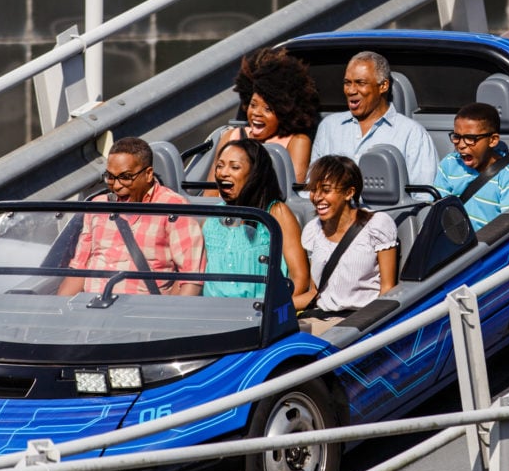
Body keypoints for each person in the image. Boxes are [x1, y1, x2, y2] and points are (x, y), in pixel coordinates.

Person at [58, 137, 205, 296]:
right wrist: (57, 314)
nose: (116, 185)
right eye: (111, 177)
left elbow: (191, 278)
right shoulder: (98, 207)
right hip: (91, 308)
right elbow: (79, 269)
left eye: (126, 177)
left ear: (148, 174)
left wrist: (168, 318)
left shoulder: (174, 208)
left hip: (140, 313)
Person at [202, 138, 314, 309]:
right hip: (214, 314)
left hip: (260, 314)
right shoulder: (211, 220)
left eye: (234, 167)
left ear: (254, 173)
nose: (223, 173)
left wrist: (275, 312)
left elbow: (300, 278)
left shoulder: (276, 213)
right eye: (220, 165)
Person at [298, 155, 398, 335]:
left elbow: (387, 290)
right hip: (318, 318)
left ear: (349, 193)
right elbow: (315, 292)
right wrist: (271, 307)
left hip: (357, 322)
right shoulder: (313, 230)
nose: (317, 197)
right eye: (313, 190)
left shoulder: (377, 225)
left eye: (326, 190)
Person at [310, 51, 438, 185]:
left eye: (360, 83)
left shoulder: (412, 134)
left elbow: (424, 199)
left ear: (383, 86)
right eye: (347, 83)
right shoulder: (329, 127)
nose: (351, 90)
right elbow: (311, 187)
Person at [204, 47, 320, 193]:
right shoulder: (230, 136)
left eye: (268, 109)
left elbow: (293, 195)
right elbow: (210, 193)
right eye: (253, 105)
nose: (256, 113)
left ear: (284, 111)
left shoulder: (297, 142)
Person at [433, 102, 509, 230]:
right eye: (457, 137)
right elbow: (439, 211)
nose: (461, 145)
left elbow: (507, 228)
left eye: (470, 138)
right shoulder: (450, 164)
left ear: (492, 140)